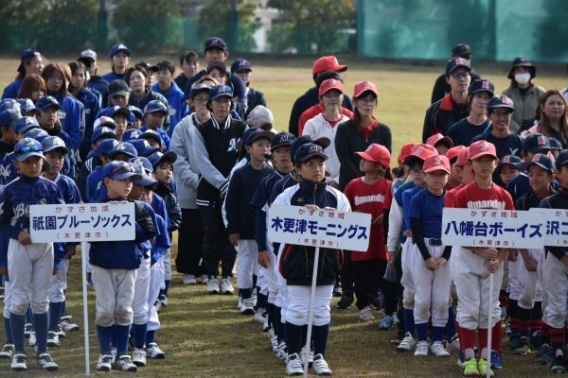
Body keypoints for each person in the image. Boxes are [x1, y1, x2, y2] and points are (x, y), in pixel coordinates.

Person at [273, 142, 351, 376]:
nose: (317, 168)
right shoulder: (288, 196)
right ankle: (294, 356)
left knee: (321, 311)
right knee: (297, 310)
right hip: (296, 263)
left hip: (327, 264)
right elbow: (274, 230)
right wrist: (302, 218)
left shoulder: (337, 197)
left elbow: (348, 231)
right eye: (310, 164)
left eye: (321, 163)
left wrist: (333, 219)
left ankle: (319, 356)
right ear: (297, 169)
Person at [450, 140, 514, 377]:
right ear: (471, 165)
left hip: (493, 262)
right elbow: (456, 232)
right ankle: (468, 358)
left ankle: (486, 357)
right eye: (479, 160)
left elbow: (510, 233)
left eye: (489, 160)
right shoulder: (462, 194)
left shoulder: (503, 196)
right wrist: (479, 251)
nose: (485, 164)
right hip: (467, 258)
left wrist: (501, 257)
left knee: (489, 308)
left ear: (496, 163)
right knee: (469, 307)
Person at [0, 138, 65, 372]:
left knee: (40, 300)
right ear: (17, 164)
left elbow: (61, 225)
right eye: (27, 161)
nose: (33, 165)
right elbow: (2, 223)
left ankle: (43, 351)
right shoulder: (10, 189)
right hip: (20, 248)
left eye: (37, 160)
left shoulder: (51, 187)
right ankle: (19, 351)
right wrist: (17, 232)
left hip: (45, 247)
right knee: (18, 300)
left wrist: (57, 257)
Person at [89, 160, 155, 372]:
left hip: (129, 264)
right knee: (105, 310)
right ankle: (105, 354)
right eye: (122, 180)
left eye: (130, 180)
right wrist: (110, 216)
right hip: (103, 264)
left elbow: (148, 234)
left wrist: (125, 218)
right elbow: (88, 235)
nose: (128, 185)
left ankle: (122, 354)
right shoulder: (95, 207)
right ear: (107, 181)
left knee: (124, 310)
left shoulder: (138, 207)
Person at [192, 85, 247, 294]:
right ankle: (212, 276)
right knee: (211, 233)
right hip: (208, 190)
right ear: (210, 105)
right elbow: (201, 162)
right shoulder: (201, 129)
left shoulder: (241, 127)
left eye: (226, 101)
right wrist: (222, 184)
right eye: (218, 101)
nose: (223, 105)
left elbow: (244, 158)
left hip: (235, 190)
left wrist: (231, 184)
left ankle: (226, 277)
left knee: (231, 233)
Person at [343, 144, 395, 323]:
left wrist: (385, 215)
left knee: (380, 274)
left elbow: (394, 212)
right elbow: (345, 209)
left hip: (380, 241)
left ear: (379, 166)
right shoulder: (353, 185)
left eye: (368, 159)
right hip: (360, 241)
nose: (362, 161)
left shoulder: (389, 186)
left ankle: (380, 302)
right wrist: (352, 214)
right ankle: (363, 306)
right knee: (360, 275)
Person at [408, 154, 452, 358]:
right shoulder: (418, 198)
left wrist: (446, 255)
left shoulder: (452, 197)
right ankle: (422, 341)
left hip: (445, 249)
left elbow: (455, 228)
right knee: (423, 298)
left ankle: (437, 342)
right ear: (425, 176)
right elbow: (415, 229)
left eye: (442, 174)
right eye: (433, 174)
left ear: (448, 176)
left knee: (442, 298)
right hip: (423, 248)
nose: (437, 179)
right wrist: (427, 257)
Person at [226, 129, 274, 312]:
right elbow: (231, 203)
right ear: (248, 148)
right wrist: (233, 228)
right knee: (246, 261)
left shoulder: (270, 172)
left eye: (268, 145)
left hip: (263, 228)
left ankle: (255, 292)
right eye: (260, 145)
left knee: (260, 262)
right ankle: (244, 296)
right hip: (245, 227)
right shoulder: (240, 173)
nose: (264, 149)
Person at [40, 136, 81, 348]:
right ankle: (37, 327)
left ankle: (53, 329)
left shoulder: (68, 184)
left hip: (60, 246)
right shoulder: (34, 182)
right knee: (37, 289)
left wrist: (73, 244)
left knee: (57, 287)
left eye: (60, 157)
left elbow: (77, 216)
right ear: (42, 157)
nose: (56, 161)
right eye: (51, 156)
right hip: (36, 245)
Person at [514, 154, 555, 356]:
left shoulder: (557, 199)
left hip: (551, 251)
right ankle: (523, 335)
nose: (534, 178)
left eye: (540, 174)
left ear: (551, 177)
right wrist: (526, 257)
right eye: (530, 174)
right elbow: (518, 232)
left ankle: (545, 337)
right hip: (528, 249)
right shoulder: (524, 201)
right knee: (527, 292)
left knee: (548, 294)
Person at [171, 83, 211, 285]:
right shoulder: (183, 126)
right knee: (188, 232)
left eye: (206, 99)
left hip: (213, 191)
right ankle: (188, 270)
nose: (203, 103)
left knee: (208, 232)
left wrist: (212, 182)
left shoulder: (217, 125)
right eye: (198, 99)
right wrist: (196, 181)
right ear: (191, 102)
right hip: (189, 190)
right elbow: (178, 158)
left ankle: (206, 269)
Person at [539, 150, 568, 374]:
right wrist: (564, 256)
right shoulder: (549, 203)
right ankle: (557, 351)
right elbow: (546, 239)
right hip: (556, 260)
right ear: (557, 173)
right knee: (557, 306)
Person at [335, 81, 392, 191]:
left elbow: (385, 164)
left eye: (371, 100)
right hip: (350, 188)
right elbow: (345, 161)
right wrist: (362, 183)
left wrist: (375, 184)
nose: (368, 103)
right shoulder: (344, 129)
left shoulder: (384, 131)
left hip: (376, 189)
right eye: (363, 99)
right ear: (354, 102)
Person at [302, 78, 350, 189]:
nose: (333, 99)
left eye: (337, 95)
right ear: (321, 98)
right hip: (317, 182)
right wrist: (325, 180)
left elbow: (352, 157)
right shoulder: (312, 124)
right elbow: (306, 156)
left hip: (345, 183)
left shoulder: (350, 124)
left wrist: (337, 180)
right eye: (328, 95)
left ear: (343, 97)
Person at [289, 56, 353, 136]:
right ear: (320, 76)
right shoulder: (302, 103)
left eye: (338, 73)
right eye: (334, 73)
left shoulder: (346, 100)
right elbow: (294, 138)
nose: (337, 77)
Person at [149, 151, 181, 308]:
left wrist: (165, 228)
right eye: (163, 167)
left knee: (164, 265)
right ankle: (153, 295)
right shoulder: (147, 193)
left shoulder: (170, 194)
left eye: (170, 168)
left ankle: (163, 294)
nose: (168, 171)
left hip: (164, 237)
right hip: (148, 238)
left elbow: (177, 216)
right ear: (153, 172)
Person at [183, 37, 247, 116]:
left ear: (225, 55)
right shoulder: (194, 80)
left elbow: (243, 107)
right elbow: (186, 106)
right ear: (205, 55)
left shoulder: (235, 81)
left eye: (218, 52)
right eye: (210, 52)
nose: (214, 55)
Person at [422, 58, 471, 142]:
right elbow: (428, 147)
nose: (462, 79)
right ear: (447, 79)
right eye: (456, 75)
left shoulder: (479, 108)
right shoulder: (434, 111)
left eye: (465, 74)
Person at [41, 63, 85, 156]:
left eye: (60, 78)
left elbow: (75, 135)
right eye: (52, 77)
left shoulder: (73, 104)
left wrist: (65, 153)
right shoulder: (38, 100)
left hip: (62, 154)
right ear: (44, 78)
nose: (56, 81)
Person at [68, 61, 101, 163]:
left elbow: (95, 124)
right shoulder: (63, 97)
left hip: (87, 147)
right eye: (75, 75)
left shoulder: (91, 99)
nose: (78, 78)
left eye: (81, 75)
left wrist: (87, 142)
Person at [502, 57, 545, 133]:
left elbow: (544, 115)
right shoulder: (506, 94)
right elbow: (504, 116)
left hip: (536, 135)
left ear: (530, 72)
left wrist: (532, 128)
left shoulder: (540, 93)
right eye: (518, 70)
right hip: (512, 135)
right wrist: (518, 131)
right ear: (513, 73)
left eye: (525, 69)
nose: (522, 73)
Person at [447, 79, 494, 147]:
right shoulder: (455, 130)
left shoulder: (494, 130)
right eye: (479, 96)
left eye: (487, 98)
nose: (482, 101)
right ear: (469, 98)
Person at [507, 133, 552, 201]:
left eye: (545, 153)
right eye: (537, 152)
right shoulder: (515, 183)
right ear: (524, 155)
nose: (541, 156)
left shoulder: (552, 180)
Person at [151, 61, 188, 136]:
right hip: (153, 138)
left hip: (175, 138)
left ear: (172, 76)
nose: (161, 76)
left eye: (164, 73)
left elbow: (185, 119)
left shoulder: (180, 96)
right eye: (158, 73)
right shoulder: (151, 92)